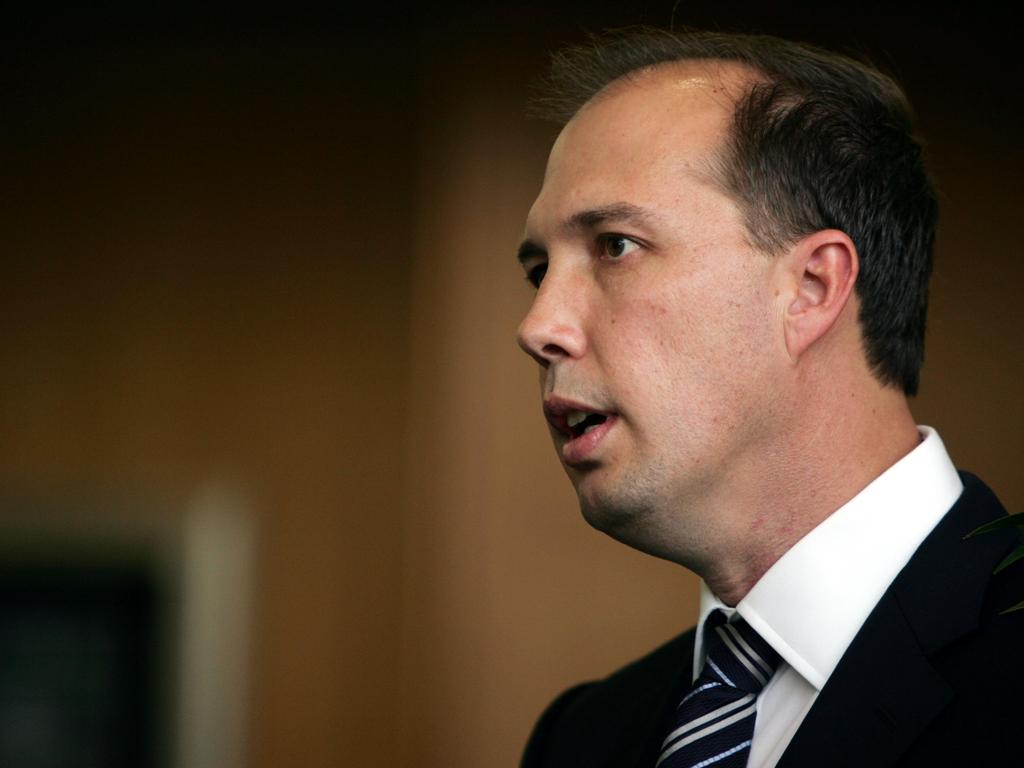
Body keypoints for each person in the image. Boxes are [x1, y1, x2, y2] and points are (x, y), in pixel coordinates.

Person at [515, 28, 1024, 768]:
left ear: (811, 288)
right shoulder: (582, 738)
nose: (537, 327)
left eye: (615, 246)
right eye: (538, 272)